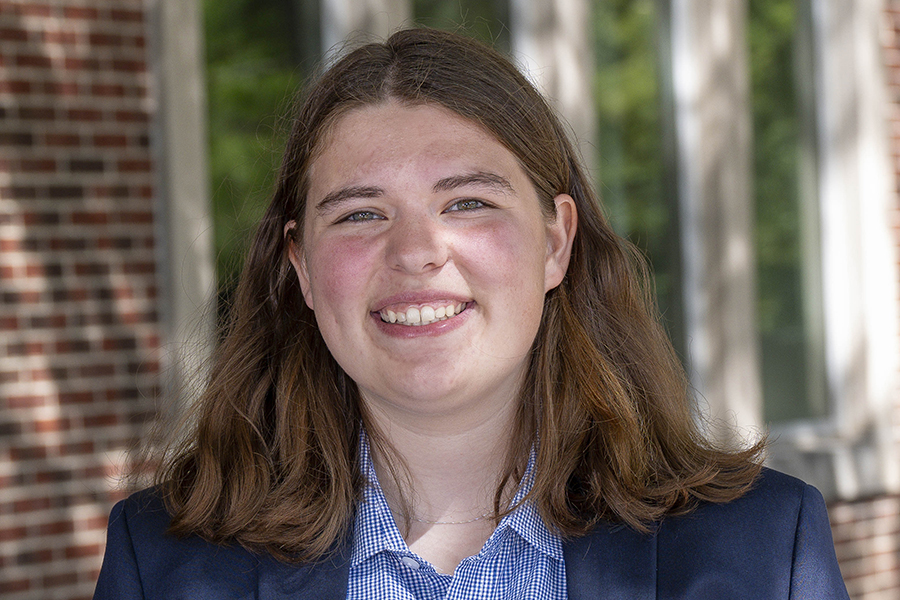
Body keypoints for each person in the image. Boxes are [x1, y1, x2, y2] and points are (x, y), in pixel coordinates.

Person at [93, 27, 850, 599]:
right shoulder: (161, 563)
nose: (417, 252)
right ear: (301, 270)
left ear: (556, 242)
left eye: (467, 202)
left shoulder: (764, 553)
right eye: (359, 214)